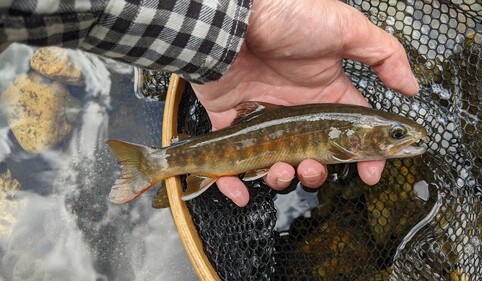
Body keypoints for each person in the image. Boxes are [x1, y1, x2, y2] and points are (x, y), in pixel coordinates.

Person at [1, 0, 419, 207]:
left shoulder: (347, 135)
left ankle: (166, 164)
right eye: (396, 135)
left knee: (259, 169)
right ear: (351, 139)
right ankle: (157, 164)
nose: (402, 139)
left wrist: (244, 18)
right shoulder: (341, 141)